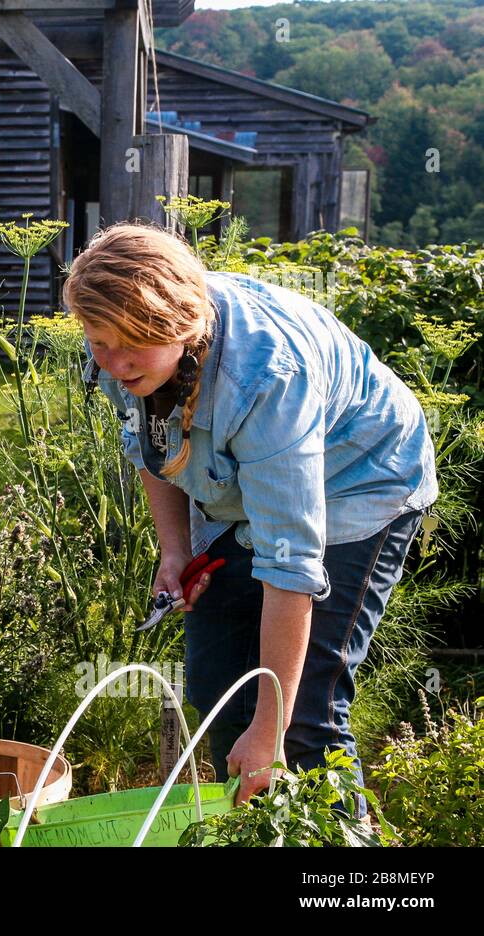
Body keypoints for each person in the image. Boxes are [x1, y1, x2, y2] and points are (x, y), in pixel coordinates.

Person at [64, 223, 437, 812]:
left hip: (359, 476)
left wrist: (270, 731)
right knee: (217, 686)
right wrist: (175, 550)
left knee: (302, 715)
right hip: (245, 483)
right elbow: (150, 446)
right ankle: (259, 823)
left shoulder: (266, 378)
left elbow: (290, 562)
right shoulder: (126, 354)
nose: (111, 363)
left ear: (182, 328)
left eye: (128, 345)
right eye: (97, 341)